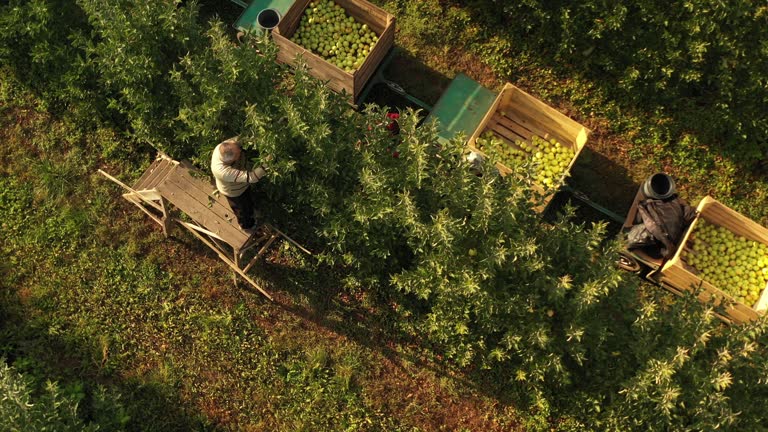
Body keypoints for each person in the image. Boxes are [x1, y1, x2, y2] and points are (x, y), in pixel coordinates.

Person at [210, 137, 268, 231]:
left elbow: (246, 137)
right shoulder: (222, 171)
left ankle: (251, 210)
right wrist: (268, 163)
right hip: (234, 192)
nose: (241, 151)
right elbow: (252, 178)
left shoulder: (227, 145)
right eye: (238, 153)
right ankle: (247, 226)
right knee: (242, 210)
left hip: (243, 184)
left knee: (248, 200)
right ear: (231, 159)